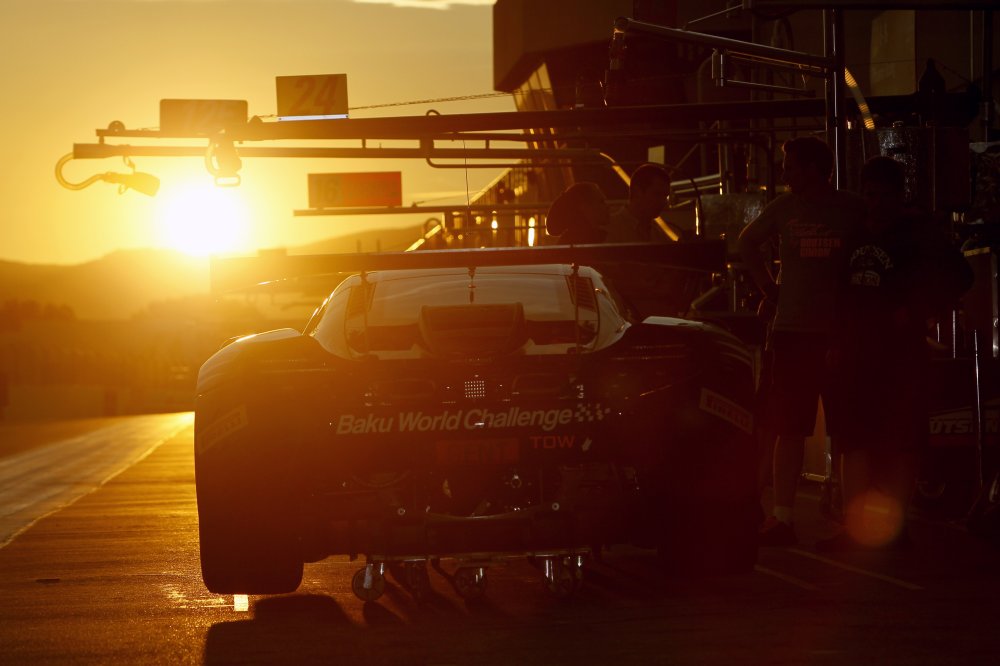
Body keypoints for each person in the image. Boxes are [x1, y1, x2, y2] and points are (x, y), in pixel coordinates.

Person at [818, 156, 973, 551]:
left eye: (885, 196)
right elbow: (837, 291)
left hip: (899, 356)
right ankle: (857, 527)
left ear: (899, 195)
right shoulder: (856, 234)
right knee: (855, 441)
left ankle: (896, 527)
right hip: (857, 353)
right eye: (870, 195)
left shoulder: (919, 235)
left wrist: (917, 310)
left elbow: (960, 275)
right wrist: (834, 341)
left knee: (901, 442)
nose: (877, 203)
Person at [737, 136, 865, 547]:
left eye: (791, 166)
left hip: (839, 332)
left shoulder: (851, 208)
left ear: (813, 169)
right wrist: (767, 288)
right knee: (788, 427)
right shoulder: (783, 208)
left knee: (846, 430)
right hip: (792, 333)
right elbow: (746, 242)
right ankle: (782, 517)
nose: (785, 173)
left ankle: (851, 520)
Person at [604, 163, 673, 243]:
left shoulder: (659, 234)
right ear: (637, 192)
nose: (663, 202)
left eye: (665, 196)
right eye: (657, 194)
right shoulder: (608, 230)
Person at [544, 181, 609, 244]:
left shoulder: (571, 240)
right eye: (601, 202)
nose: (607, 206)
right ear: (584, 206)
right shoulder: (586, 242)